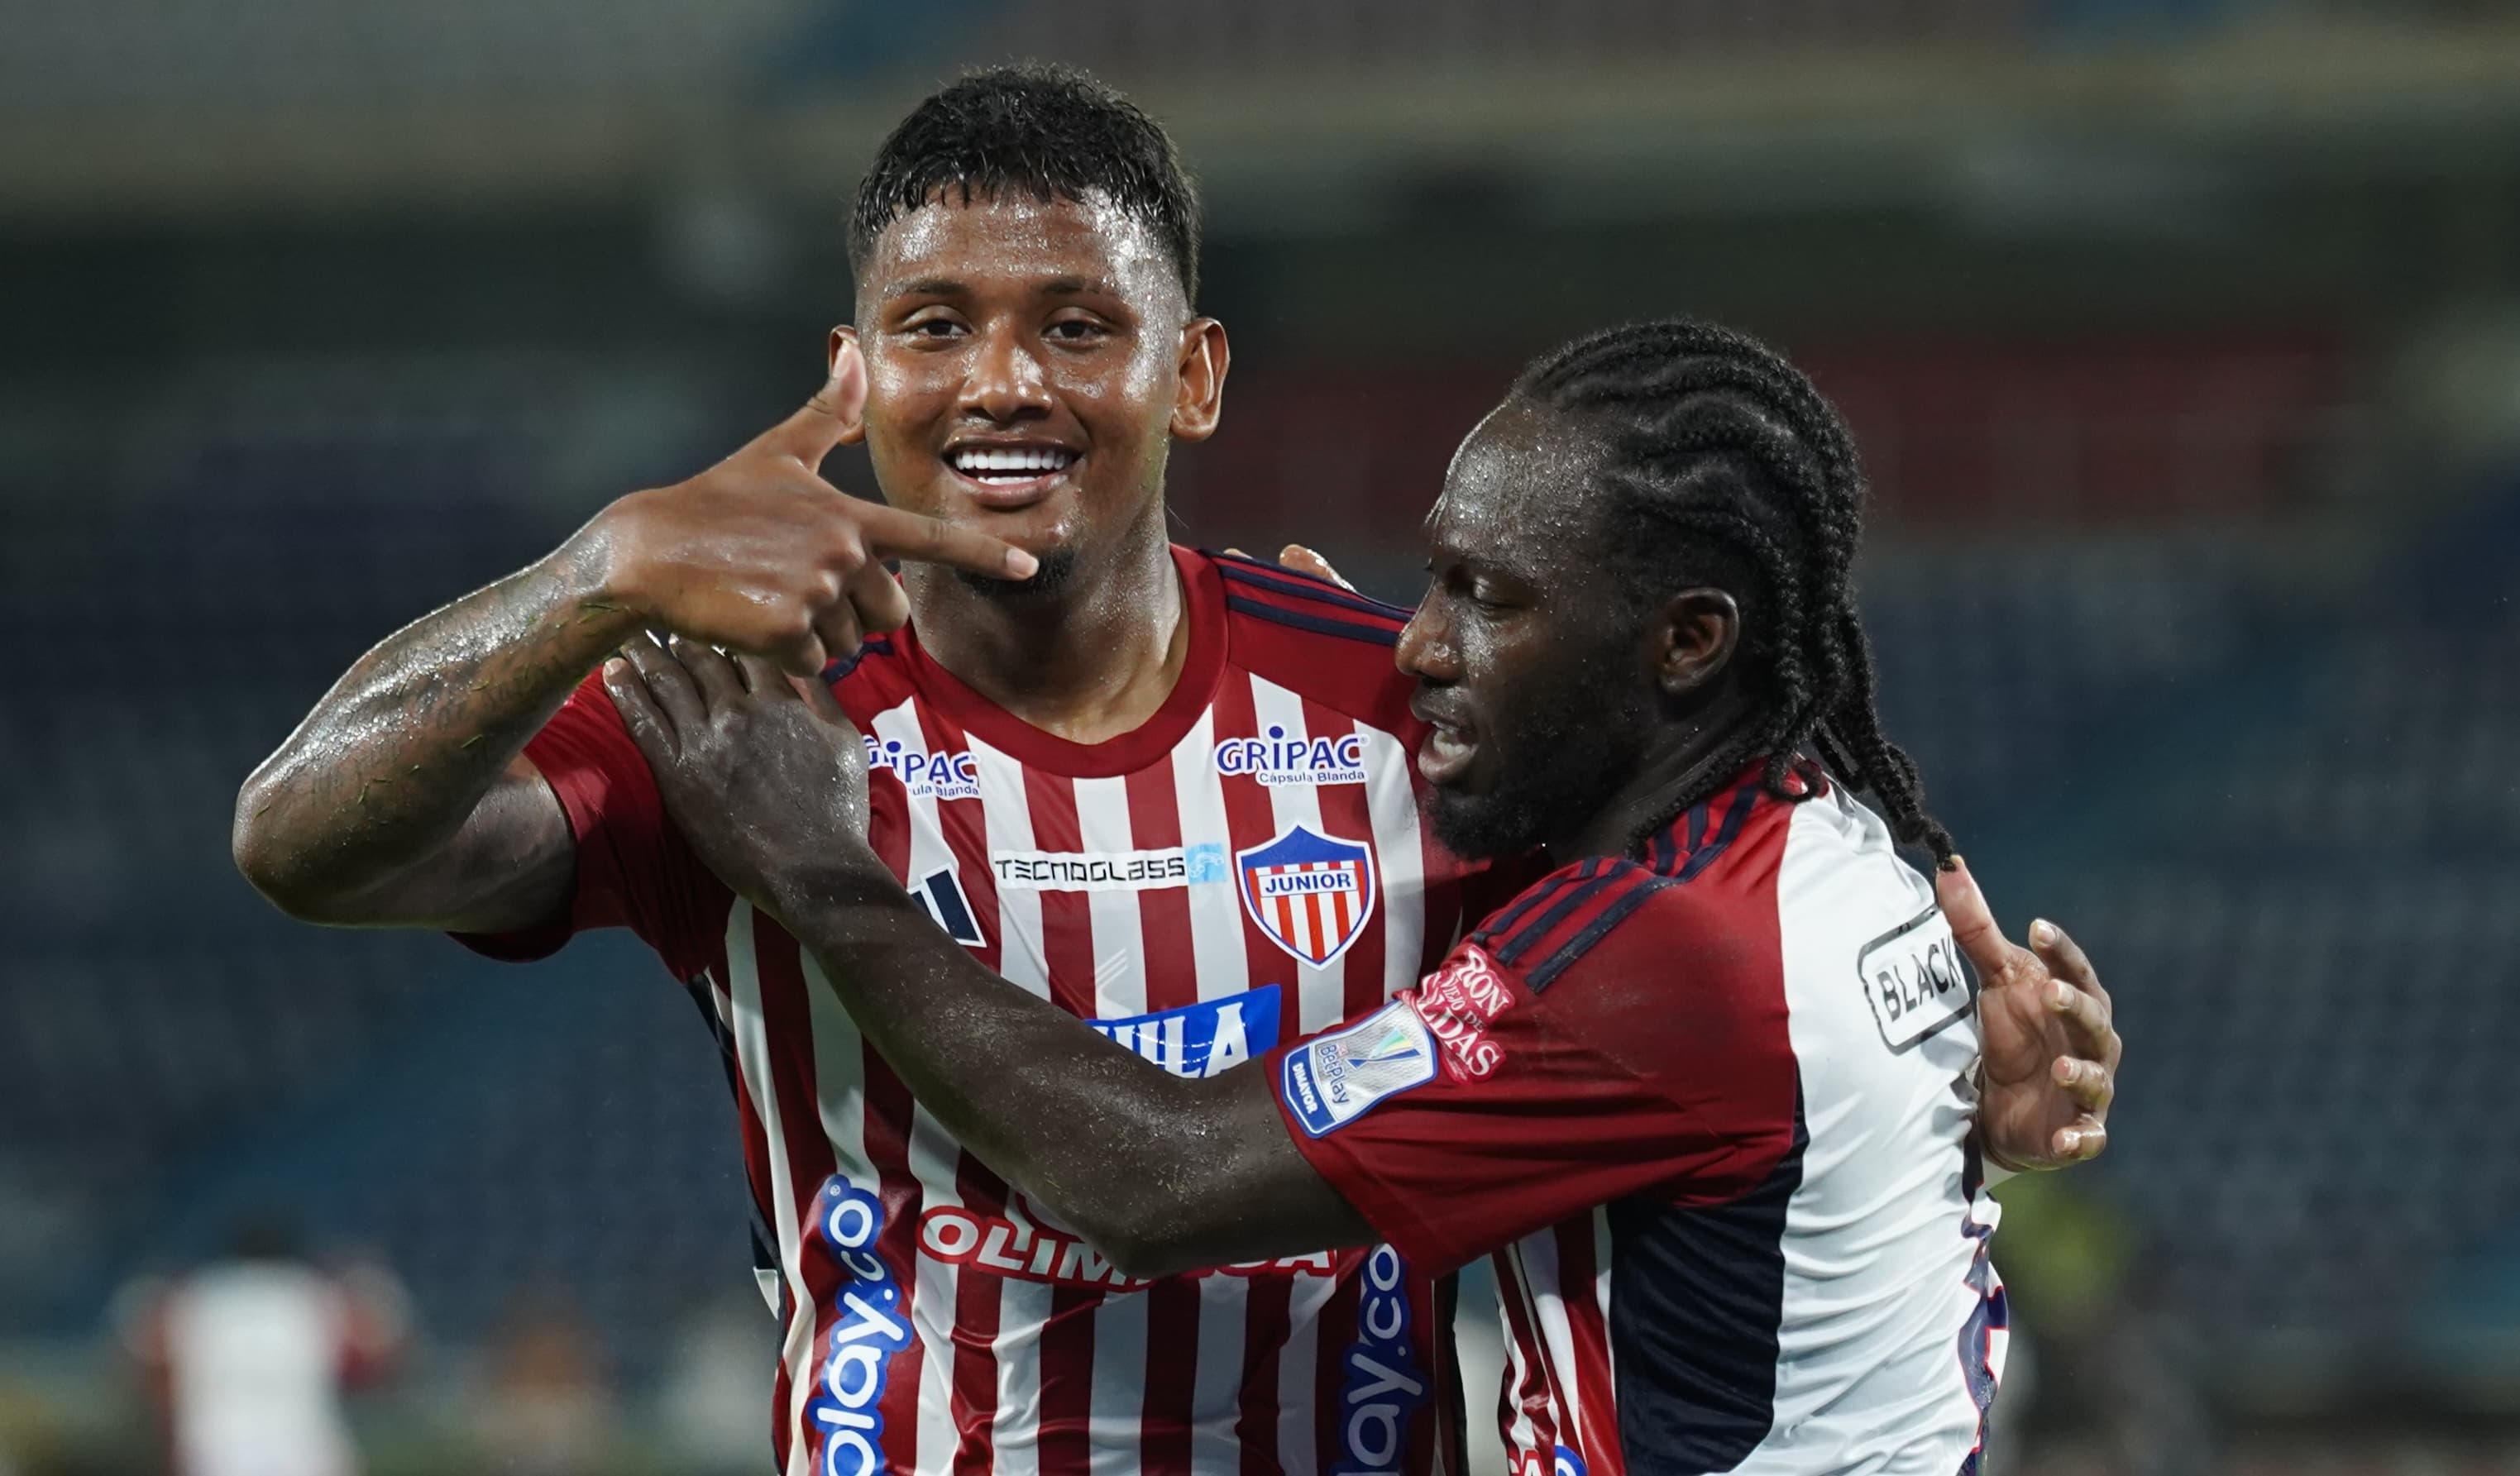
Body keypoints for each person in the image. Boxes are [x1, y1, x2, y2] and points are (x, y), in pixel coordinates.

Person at [233, 67, 2116, 1476]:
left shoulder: (1391, 702)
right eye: (935, 327)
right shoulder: (740, 715)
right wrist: (594, 572)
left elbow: (1736, 943)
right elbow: (305, 842)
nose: (1003, 384)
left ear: (1193, 373)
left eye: (1076, 325)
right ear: (851, 370)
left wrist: (1953, 1056)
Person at [601, 317, 2113, 1474]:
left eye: (1492, 599)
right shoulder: (1824, 847)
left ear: (1687, 641)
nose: (1416, 645)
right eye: (1436, 580)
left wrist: (817, 871)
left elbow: (1153, 1185)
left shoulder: (1669, 953)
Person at [118, 1216, 407, 1476]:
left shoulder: (196, 1299)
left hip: (218, 1453)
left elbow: (151, 1370)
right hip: (305, 1452)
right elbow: (374, 1360)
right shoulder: (317, 1297)